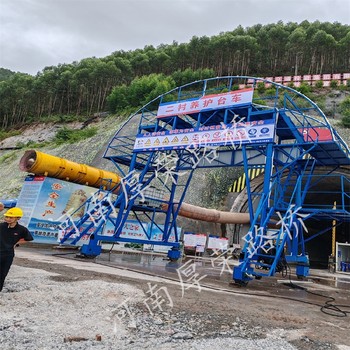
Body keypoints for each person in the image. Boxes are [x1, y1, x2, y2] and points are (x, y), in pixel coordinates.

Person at [0, 207, 33, 292]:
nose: (8, 219)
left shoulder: (22, 229)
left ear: (18, 218)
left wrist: (16, 243)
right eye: (7, 217)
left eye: (11, 217)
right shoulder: (1, 226)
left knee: (2, 274)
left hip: (8, 255)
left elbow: (28, 238)